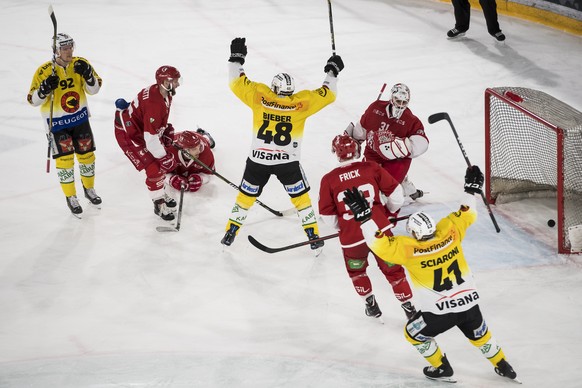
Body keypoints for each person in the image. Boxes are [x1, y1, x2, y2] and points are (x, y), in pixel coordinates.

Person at [342, 166, 519, 383]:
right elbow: (467, 212)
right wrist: (470, 191)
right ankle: (502, 363)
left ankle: (442, 367)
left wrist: (364, 218)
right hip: (469, 304)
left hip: (440, 313)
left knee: (412, 333)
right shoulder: (450, 232)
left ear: (415, 234)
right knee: (480, 335)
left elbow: (377, 244)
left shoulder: (408, 249)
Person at [221, 37, 344, 250]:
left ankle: (231, 231)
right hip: (287, 163)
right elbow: (328, 94)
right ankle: (313, 234)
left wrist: (236, 59)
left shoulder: (260, 96)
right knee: (301, 199)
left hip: (258, 161)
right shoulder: (301, 103)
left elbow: (236, 82)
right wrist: (332, 72)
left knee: (245, 198)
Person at [318, 135, 417, 320]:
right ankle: (409, 308)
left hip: (352, 240)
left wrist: (345, 227)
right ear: (356, 149)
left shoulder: (328, 180)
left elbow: (328, 217)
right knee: (394, 270)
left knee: (357, 271)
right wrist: (388, 213)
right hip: (380, 230)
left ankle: (370, 304)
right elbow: (397, 194)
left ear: (335, 153)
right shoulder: (371, 167)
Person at [27, 33, 102, 217]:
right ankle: (71, 197)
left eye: (70, 47)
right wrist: (43, 89)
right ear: (56, 50)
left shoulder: (80, 63)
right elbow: (32, 100)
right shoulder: (44, 71)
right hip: (57, 125)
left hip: (80, 120)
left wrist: (88, 74)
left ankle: (89, 189)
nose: (69, 51)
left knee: (87, 157)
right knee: (65, 161)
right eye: (64, 48)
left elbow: (95, 89)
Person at [114, 66, 184, 221]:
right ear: (164, 81)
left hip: (141, 131)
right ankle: (159, 204)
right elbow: (150, 138)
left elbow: (153, 125)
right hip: (129, 134)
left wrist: (164, 130)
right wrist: (163, 157)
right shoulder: (154, 103)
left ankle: (160, 193)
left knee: (160, 163)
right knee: (155, 167)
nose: (178, 84)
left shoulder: (164, 92)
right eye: (175, 81)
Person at [344, 83, 428, 201]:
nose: (400, 105)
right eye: (398, 101)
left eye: (404, 102)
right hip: (372, 155)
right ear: (391, 98)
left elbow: (422, 143)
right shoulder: (375, 108)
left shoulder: (411, 120)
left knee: (383, 192)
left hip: (397, 160)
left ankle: (401, 185)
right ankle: (403, 184)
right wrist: (354, 142)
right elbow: (361, 130)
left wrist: (398, 146)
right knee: (365, 187)